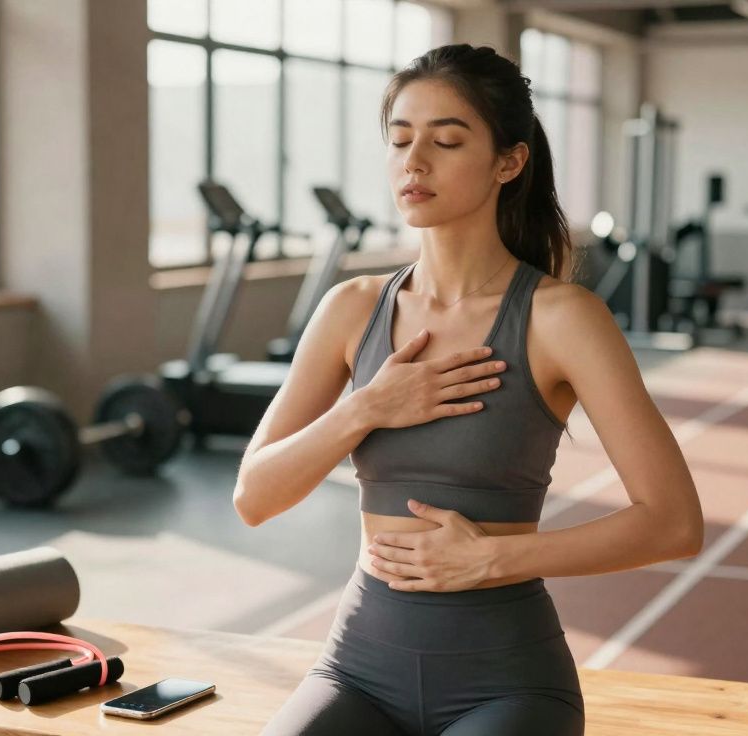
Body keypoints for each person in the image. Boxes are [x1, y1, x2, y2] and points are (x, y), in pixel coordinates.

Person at [234, 44, 703, 736]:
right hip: (358, 669)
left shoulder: (561, 318)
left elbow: (674, 522)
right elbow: (254, 496)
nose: (413, 161)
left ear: (508, 163)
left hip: (505, 684)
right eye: (400, 139)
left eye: (446, 140)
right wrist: (366, 407)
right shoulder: (352, 308)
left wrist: (491, 557)